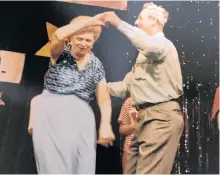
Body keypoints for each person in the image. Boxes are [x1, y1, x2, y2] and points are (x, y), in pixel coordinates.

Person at [102, 2, 184, 174]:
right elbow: (126, 86)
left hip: (161, 118)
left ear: (153, 20)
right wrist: (97, 86)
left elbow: (149, 46)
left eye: (140, 18)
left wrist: (118, 22)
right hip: (143, 119)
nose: (136, 23)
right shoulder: (144, 56)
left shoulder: (162, 45)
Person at [27, 15, 115, 174]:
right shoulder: (60, 53)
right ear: (71, 38)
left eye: (88, 40)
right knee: (53, 166)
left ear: (94, 42)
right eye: (79, 38)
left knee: (82, 166)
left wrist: (106, 124)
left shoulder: (97, 65)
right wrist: (90, 22)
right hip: (51, 114)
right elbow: (58, 35)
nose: (83, 43)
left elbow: (104, 99)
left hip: (81, 117)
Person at [118, 97, 137, 173]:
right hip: (130, 150)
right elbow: (121, 129)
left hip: (152, 149)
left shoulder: (158, 98)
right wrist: (134, 127)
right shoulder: (130, 101)